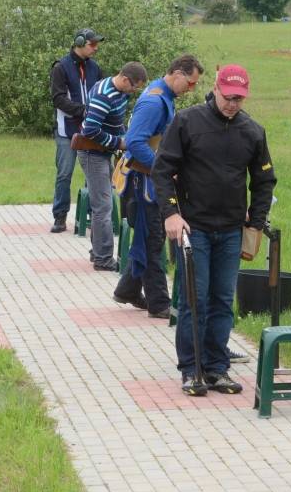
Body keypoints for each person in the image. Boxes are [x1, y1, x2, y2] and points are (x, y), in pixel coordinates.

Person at [153, 65, 276, 396]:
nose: (232, 104)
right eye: (228, 97)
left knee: (222, 300)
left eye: (239, 99)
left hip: (231, 230)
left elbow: (264, 180)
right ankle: (191, 369)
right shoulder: (187, 122)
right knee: (196, 299)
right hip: (194, 228)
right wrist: (171, 214)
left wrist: (256, 222)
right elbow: (162, 170)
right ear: (216, 89)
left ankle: (216, 368)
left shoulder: (253, 131)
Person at [113, 55, 204, 317]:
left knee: (148, 238)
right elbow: (134, 142)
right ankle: (159, 303)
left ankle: (127, 289)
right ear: (177, 74)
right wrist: (162, 169)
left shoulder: (161, 95)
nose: (191, 89)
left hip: (148, 181)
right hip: (145, 183)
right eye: (190, 83)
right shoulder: (154, 102)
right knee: (153, 240)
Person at [80, 61, 148, 271]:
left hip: (104, 153)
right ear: (125, 79)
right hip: (92, 153)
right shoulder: (104, 95)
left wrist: (126, 136)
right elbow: (90, 130)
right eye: (134, 86)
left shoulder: (120, 93)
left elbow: (116, 122)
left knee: (103, 202)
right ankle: (103, 259)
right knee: (103, 207)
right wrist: (119, 143)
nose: (134, 91)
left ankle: (97, 251)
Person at [49, 28, 104, 233]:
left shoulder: (95, 68)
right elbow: (58, 99)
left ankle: (91, 214)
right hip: (67, 129)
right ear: (79, 43)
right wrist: (83, 110)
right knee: (64, 174)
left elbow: (101, 94)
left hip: (91, 129)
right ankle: (60, 216)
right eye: (92, 44)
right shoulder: (60, 67)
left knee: (93, 174)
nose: (96, 48)